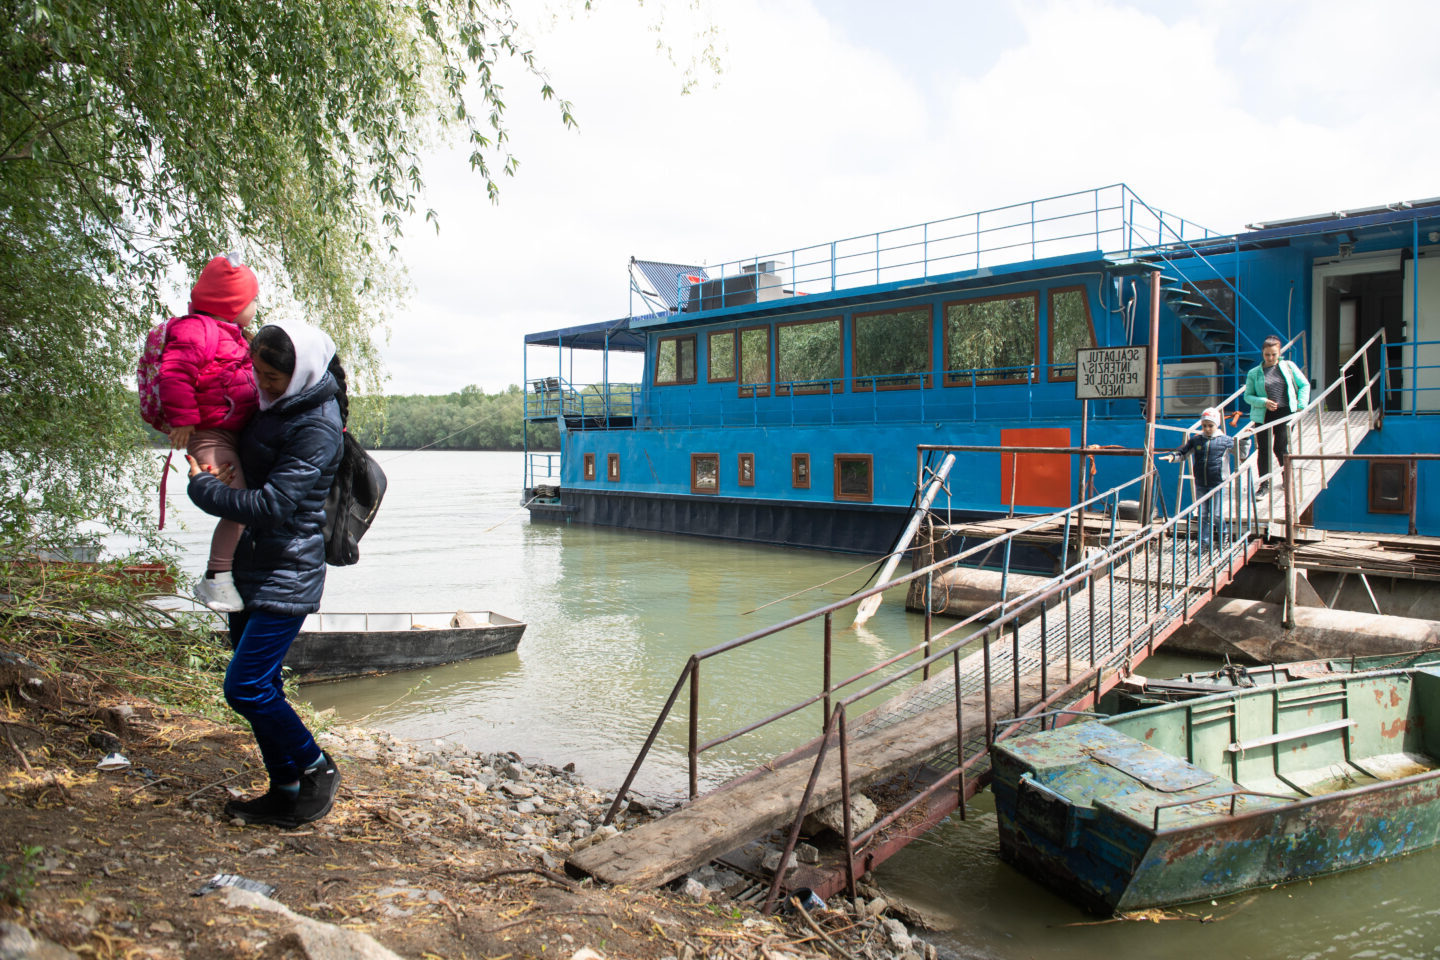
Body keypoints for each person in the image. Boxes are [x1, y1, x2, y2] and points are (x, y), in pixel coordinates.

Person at [186, 319, 346, 828]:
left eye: (272, 377)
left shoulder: (317, 425)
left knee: (245, 687)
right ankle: (285, 787)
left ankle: (317, 765)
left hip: (288, 572)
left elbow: (274, 505)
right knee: (264, 686)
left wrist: (205, 490)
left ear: (301, 372)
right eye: (257, 373)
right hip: (251, 568)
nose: (262, 384)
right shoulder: (275, 406)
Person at [155, 255, 261, 612]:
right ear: (231, 304)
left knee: (242, 500)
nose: (256, 307)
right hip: (208, 434)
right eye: (251, 301)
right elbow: (174, 373)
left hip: (230, 432)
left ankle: (222, 573)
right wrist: (183, 418)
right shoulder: (196, 330)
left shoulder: (234, 336)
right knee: (240, 503)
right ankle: (216, 577)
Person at [1243, 335, 1310, 494]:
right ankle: (1264, 485)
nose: (1271, 358)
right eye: (1267, 355)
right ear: (1262, 353)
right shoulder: (1254, 373)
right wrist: (1264, 402)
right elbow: (1248, 396)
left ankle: (1287, 478)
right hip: (1264, 415)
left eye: (1274, 354)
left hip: (1285, 413)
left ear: (1279, 353)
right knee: (1264, 449)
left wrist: (1301, 405)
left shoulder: (1289, 366)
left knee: (1280, 447)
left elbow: (1304, 385)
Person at [1163, 406, 1236, 548]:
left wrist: (1245, 439)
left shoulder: (1225, 440)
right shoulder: (1197, 441)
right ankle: (1204, 543)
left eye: (1210, 425)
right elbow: (1183, 452)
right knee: (1203, 514)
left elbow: (1241, 451)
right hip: (1201, 482)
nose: (1207, 428)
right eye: (1204, 425)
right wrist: (1173, 456)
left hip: (1218, 482)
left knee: (1216, 513)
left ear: (1217, 424)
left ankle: (1223, 536)